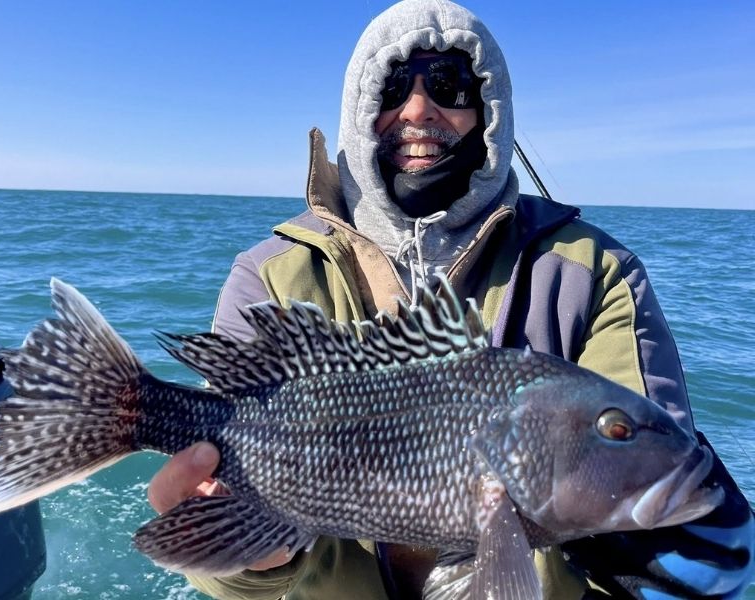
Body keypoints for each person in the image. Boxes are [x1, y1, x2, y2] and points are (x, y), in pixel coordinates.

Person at [148, 1, 755, 598]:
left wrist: (665, 553)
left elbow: (698, 548)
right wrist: (248, 557)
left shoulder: (593, 272)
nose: (417, 109)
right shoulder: (273, 274)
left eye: (449, 85)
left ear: (488, 110)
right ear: (357, 112)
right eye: (389, 87)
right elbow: (227, 583)